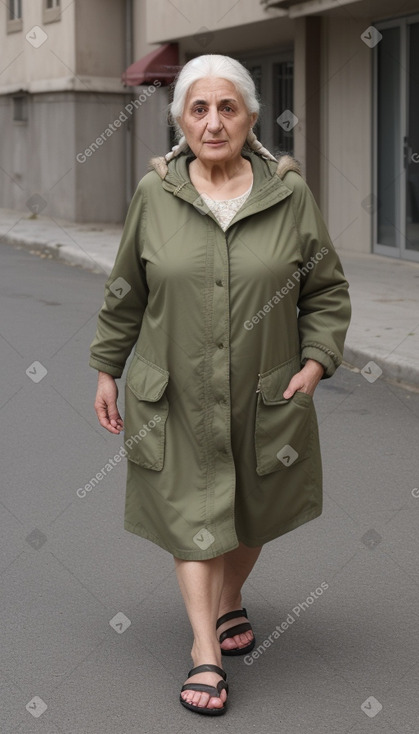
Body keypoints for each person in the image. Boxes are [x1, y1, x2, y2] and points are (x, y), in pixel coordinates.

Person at [89, 53, 351, 716]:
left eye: (226, 107)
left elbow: (324, 289)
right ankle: (204, 650)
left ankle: (230, 597)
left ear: (251, 117)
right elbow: (126, 290)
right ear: (180, 119)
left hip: (264, 392)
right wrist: (105, 368)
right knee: (191, 518)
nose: (213, 122)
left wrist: (315, 361)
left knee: (254, 509)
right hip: (172, 394)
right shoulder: (155, 195)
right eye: (198, 108)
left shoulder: (288, 195)